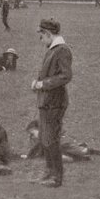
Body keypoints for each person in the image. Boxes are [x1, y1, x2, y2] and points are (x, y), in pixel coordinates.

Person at [31, 18, 72, 188]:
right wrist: (37, 83)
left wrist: (42, 84)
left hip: (54, 102)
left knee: (51, 139)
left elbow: (65, 76)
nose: (41, 40)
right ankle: (49, 171)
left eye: (41, 36)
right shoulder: (53, 49)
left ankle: (56, 177)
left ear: (48, 34)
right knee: (44, 138)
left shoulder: (62, 50)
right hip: (47, 100)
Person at [24, 120, 100, 162]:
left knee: (81, 151)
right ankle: (82, 158)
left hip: (63, 145)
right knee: (61, 159)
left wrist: (30, 155)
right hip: (57, 150)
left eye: (32, 133)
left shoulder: (42, 135)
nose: (31, 136)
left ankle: (93, 151)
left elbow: (37, 147)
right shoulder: (40, 136)